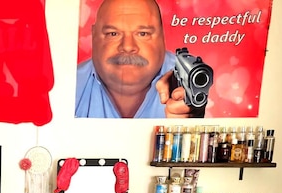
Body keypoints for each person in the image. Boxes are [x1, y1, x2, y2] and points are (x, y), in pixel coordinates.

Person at [75, 0, 203, 118]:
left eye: (143, 34)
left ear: (162, 37)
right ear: (94, 36)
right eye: (113, 34)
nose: (128, 47)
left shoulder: (195, 81)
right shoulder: (68, 85)